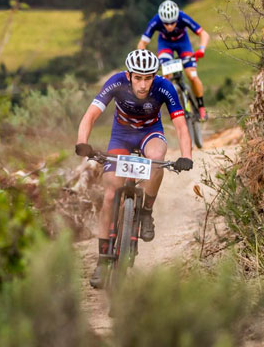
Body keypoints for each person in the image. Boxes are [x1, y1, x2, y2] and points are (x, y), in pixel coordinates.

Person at [75, 49, 193, 288]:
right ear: (129, 75)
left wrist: (186, 156)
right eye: (138, 77)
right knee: (110, 195)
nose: (143, 84)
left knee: (157, 157)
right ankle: (103, 261)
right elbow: (90, 115)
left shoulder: (163, 87)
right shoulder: (116, 82)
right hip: (121, 137)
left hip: (150, 134)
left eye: (148, 77)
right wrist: (82, 143)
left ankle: (146, 212)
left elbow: (180, 126)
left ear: (154, 76)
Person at [137, 0, 210, 121]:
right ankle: (171, 105)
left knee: (191, 75)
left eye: (172, 23)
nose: (169, 26)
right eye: (166, 23)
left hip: (183, 44)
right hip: (165, 45)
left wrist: (201, 49)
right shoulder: (155, 20)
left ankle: (201, 107)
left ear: (177, 18)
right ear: (161, 20)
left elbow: (204, 34)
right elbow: (142, 44)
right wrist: (144, 60)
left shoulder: (182, 17)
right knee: (166, 75)